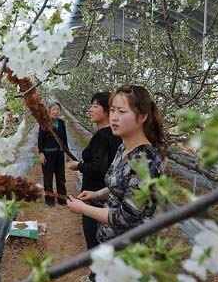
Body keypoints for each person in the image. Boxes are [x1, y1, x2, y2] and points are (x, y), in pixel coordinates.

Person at [66, 85, 165, 246]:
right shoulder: (123, 148)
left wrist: (83, 209)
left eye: (122, 111)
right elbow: (121, 184)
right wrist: (97, 194)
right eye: (112, 110)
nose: (114, 117)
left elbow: (126, 217)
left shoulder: (145, 162)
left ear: (142, 117)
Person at [66, 92, 122, 251]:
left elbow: (99, 168)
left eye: (95, 106)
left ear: (107, 111)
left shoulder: (101, 137)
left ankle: (95, 275)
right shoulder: (117, 135)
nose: (90, 110)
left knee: (94, 241)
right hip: (110, 196)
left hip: (96, 195)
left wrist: (78, 166)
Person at [38, 102, 69, 206]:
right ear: (49, 111)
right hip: (48, 154)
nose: (56, 111)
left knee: (61, 177)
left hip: (59, 154)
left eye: (58, 109)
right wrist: (41, 153)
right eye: (54, 109)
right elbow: (40, 140)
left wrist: (67, 153)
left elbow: (64, 139)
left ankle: (62, 198)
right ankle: (49, 198)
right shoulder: (44, 123)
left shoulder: (61, 123)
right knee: (48, 177)